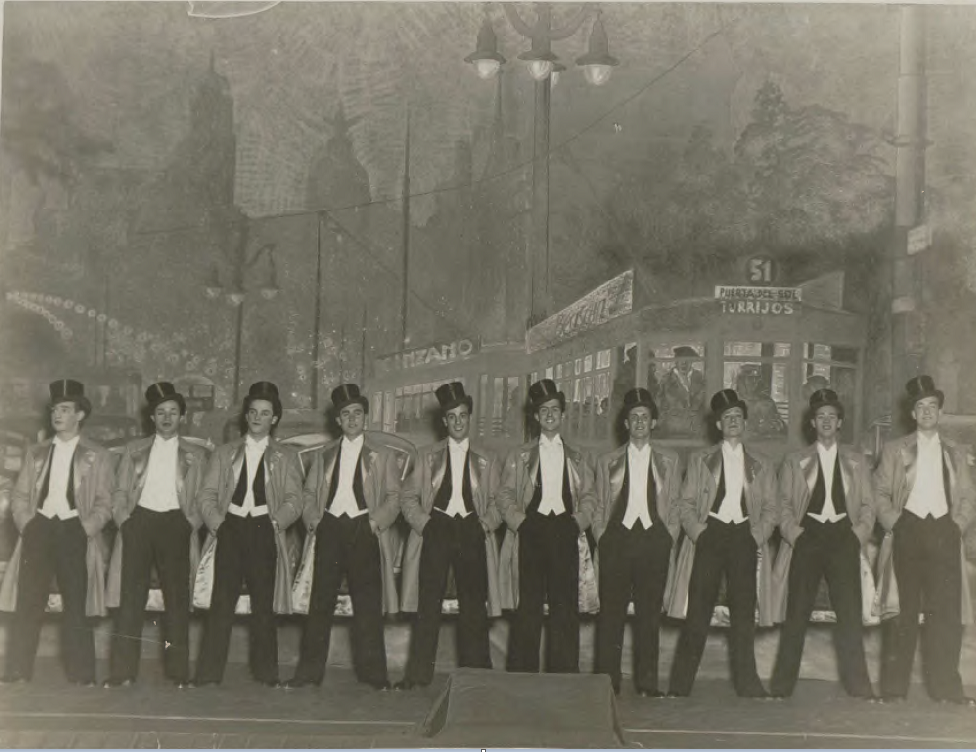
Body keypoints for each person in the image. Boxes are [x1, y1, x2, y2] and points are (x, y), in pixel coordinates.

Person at [286, 384, 403, 690]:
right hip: (331, 529)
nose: (352, 419)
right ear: (337, 420)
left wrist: (376, 522)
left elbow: (394, 497)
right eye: (345, 414)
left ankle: (374, 675)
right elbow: (309, 494)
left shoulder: (383, 456)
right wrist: (315, 521)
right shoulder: (323, 456)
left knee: (367, 605)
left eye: (357, 413)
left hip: (364, 530)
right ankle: (309, 673)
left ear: (365, 417)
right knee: (319, 603)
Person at [0, 380, 114, 686]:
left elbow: (106, 502)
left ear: (80, 415)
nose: (57, 414)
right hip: (40, 529)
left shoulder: (98, 455)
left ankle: (82, 674)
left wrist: (85, 528)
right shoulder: (35, 452)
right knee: (28, 602)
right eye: (54, 409)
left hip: (73, 530)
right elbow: (20, 497)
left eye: (65, 409)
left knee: (77, 605)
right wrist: (28, 524)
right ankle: (18, 670)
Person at [191, 381, 304, 688]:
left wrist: (275, 523)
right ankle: (208, 674)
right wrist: (219, 524)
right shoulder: (225, 453)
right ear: (246, 415)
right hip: (230, 528)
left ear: (274, 419)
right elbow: (206, 495)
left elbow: (295, 499)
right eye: (253, 411)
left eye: (264, 413)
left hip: (264, 530)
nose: (257, 417)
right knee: (221, 604)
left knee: (263, 607)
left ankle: (267, 674)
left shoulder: (286, 457)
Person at [667, 388, 777, 698]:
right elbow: (685, 504)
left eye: (738, 417)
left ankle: (748, 684)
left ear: (745, 424)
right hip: (710, 535)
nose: (732, 422)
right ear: (717, 424)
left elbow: (772, 509)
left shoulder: (761, 463)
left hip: (744, 535)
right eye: (726, 417)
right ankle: (680, 685)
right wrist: (700, 533)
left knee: (743, 615)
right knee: (698, 613)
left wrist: (755, 536)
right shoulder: (701, 460)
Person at [874, 375, 976, 706]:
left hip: (944, 533)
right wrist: (896, 523)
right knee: (902, 612)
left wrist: (957, 526)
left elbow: (967, 496)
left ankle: (946, 688)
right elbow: (879, 494)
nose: (927, 412)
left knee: (945, 615)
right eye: (921, 407)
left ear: (940, 413)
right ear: (913, 415)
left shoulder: (957, 453)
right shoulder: (894, 450)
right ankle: (894, 688)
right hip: (908, 531)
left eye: (933, 406)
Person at [769, 388, 876, 700]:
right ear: (812, 423)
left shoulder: (857, 461)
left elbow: (868, 506)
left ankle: (859, 686)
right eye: (821, 417)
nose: (826, 421)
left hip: (844, 537)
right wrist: (796, 534)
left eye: (832, 416)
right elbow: (783, 505)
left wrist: (857, 536)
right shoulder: (794, 461)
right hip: (808, 538)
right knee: (797, 614)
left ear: (839, 422)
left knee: (850, 615)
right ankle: (781, 687)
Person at [397, 382, 503, 689]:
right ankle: (417, 676)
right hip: (437, 530)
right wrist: (425, 524)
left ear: (470, 418)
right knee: (427, 606)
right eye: (452, 417)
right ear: (444, 421)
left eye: (463, 416)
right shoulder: (426, 456)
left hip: (472, 530)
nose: (458, 422)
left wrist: (484, 525)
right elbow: (407, 498)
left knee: (474, 607)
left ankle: (477, 676)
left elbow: (500, 501)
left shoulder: (488, 458)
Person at [104, 382, 209, 689]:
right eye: (160, 412)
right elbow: (120, 491)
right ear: (151, 417)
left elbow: (204, 496)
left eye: (172, 412)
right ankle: (123, 672)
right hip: (140, 522)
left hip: (176, 525)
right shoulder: (133, 451)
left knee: (177, 602)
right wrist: (125, 521)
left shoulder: (195, 455)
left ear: (181, 417)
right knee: (130, 601)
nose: (166, 417)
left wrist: (190, 523)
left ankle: (178, 673)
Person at [586, 388, 682, 697]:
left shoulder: (670, 460)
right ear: (625, 424)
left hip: (654, 540)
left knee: (648, 614)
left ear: (653, 422)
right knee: (610, 614)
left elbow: (676, 503)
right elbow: (599, 504)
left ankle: (647, 682)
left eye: (644, 417)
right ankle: (606, 680)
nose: (639, 422)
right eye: (633, 418)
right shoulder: (607, 461)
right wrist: (602, 536)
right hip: (617, 540)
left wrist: (668, 535)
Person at [497, 378, 595, 674]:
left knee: (565, 607)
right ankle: (522, 674)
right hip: (532, 532)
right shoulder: (520, 456)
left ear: (563, 415)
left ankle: (564, 674)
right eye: (544, 410)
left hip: (566, 531)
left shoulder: (578, 456)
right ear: (536, 417)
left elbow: (590, 496)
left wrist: (578, 522)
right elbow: (504, 495)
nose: (550, 415)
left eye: (555, 409)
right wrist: (521, 522)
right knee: (528, 607)